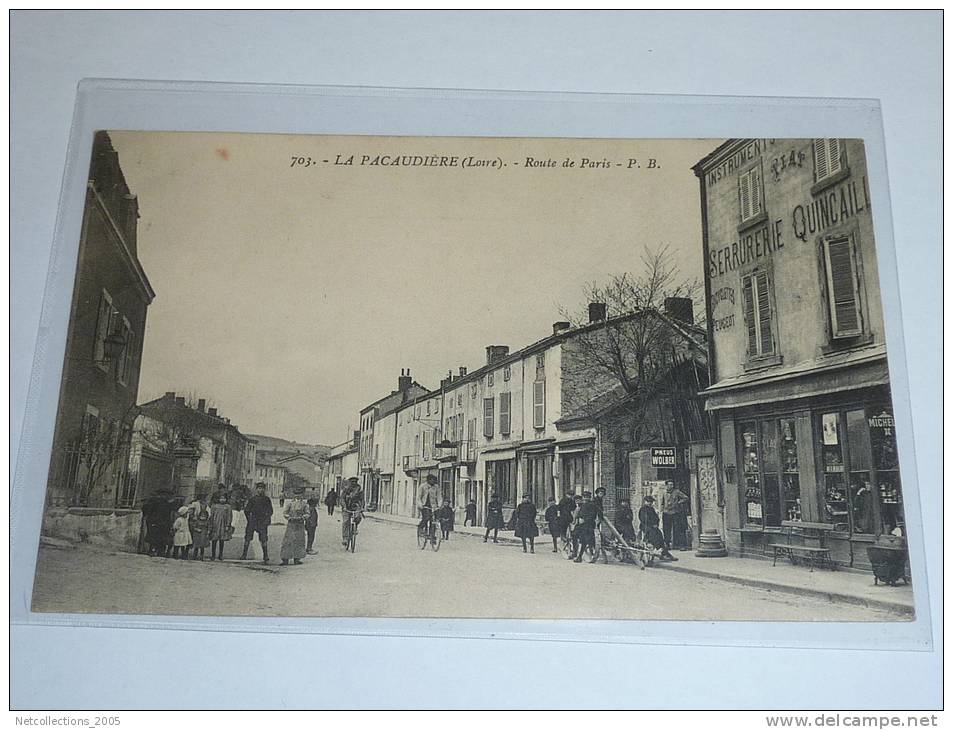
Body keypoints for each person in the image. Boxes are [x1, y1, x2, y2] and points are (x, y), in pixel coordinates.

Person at [241, 482, 274, 564]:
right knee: (248, 537)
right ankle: (244, 554)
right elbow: (246, 510)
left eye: (262, 488)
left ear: (264, 489)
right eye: (259, 488)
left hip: (262, 521)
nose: (260, 490)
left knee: (263, 538)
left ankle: (265, 555)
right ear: (256, 489)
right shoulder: (252, 499)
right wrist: (249, 519)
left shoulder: (267, 499)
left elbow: (270, 511)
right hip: (253, 520)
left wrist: (267, 519)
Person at [639, 495, 676, 561]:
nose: (650, 503)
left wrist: (656, 524)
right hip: (646, 527)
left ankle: (664, 551)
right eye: (648, 501)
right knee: (654, 535)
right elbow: (644, 519)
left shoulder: (652, 509)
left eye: (651, 502)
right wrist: (652, 524)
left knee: (660, 534)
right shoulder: (643, 509)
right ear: (645, 502)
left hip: (653, 527)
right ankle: (660, 550)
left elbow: (656, 518)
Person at [280, 486, 309, 565]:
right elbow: (285, 512)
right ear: (293, 495)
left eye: (299, 494)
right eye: (296, 494)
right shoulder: (290, 503)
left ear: (302, 495)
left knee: (299, 541)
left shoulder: (304, 504)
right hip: (291, 524)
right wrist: (289, 517)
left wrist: (303, 517)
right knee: (288, 541)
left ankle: (297, 558)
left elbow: (307, 513)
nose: (297, 496)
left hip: (300, 524)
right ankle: (285, 559)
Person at [142, 488, 174, 557]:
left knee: (158, 538)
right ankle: (155, 551)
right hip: (157, 523)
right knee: (156, 538)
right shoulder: (156, 502)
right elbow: (147, 510)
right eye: (166, 495)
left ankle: (156, 551)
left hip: (160, 523)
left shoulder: (165, 503)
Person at [569, 492, 597, 563]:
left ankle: (580, 556)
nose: (586, 498)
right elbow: (579, 514)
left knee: (585, 539)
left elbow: (593, 515)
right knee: (574, 535)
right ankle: (575, 552)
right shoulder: (583, 505)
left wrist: (585, 519)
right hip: (581, 525)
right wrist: (578, 518)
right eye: (584, 497)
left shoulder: (592, 505)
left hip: (588, 525)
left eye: (587, 497)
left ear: (590, 497)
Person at [661, 481, 689, 551]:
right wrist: (662, 509)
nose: (671, 486)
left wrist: (678, 503)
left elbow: (685, 497)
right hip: (666, 513)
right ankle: (667, 544)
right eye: (669, 485)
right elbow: (662, 502)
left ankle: (681, 545)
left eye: (672, 484)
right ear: (666, 485)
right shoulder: (664, 492)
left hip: (675, 512)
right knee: (666, 529)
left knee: (678, 529)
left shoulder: (677, 492)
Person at [208, 492, 233, 561]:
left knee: (222, 540)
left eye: (224, 498)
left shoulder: (228, 506)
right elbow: (211, 516)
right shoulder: (214, 506)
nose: (222, 500)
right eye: (221, 498)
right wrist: (211, 524)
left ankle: (220, 555)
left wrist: (228, 525)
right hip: (215, 524)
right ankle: (213, 555)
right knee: (214, 540)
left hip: (223, 525)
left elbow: (229, 516)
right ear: (218, 499)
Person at [341, 477, 364, 547]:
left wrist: (362, 507)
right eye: (352, 482)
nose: (353, 483)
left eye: (355, 482)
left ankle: (355, 528)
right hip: (347, 507)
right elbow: (342, 499)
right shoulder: (346, 490)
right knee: (345, 521)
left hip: (355, 507)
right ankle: (345, 538)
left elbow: (362, 500)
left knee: (358, 516)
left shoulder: (359, 490)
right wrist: (344, 507)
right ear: (350, 482)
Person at [416, 474, 441, 539]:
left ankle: (432, 535)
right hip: (425, 506)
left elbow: (439, 497)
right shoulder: (423, 486)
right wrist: (420, 505)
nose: (433, 481)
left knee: (434, 521)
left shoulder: (436, 487)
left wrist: (439, 505)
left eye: (434, 480)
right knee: (426, 518)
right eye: (431, 480)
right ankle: (421, 528)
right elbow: (419, 497)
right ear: (428, 480)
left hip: (433, 506)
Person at [189, 493, 211, 561]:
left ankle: (201, 556)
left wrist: (208, 532)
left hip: (203, 533)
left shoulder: (206, 507)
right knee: (196, 543)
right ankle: (195, 555)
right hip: (197, 531)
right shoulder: (195, 504)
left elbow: (208, 525)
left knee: (202, 545)